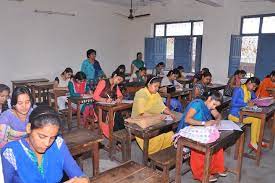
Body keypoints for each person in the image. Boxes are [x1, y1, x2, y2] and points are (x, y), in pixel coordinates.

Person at [1, 106, 89, 183]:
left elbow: (78, 174)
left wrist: (83, 179)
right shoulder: (10, 152)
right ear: (28, 128)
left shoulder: (58, 144)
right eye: (41, 136)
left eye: (52, 137)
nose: (47, 143)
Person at [176, 91, 226, 182]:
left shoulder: (210, 106)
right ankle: (201, 174)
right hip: (186, 131)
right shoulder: (197, 104)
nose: (214, 107)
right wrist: (204, 123)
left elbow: (218, 115)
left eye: (216, 106)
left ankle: (216, 168)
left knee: (216, 142)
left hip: (199, 130)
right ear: (209, 98)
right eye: (214, 104)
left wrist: (217, 120)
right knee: (200, 146)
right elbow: (187, 120)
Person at [131, 76, 176, 155]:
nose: (157, 89)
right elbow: (141, 113)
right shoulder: (141, 94)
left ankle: (163, 154)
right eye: (155, 86)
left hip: (153, 120)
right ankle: (152, 155)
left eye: (158, 87)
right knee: (156, 138)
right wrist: (158, 117)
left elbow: (162, 107)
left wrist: (170, 113)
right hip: (139, 122)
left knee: (170, 135)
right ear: (148, 85)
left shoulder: (156, 94)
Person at [228, 77, 263, 151]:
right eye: (253, 86)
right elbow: (233, 103)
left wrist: (256, 99)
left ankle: (257, 140)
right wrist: (246, 103)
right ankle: (253, 142)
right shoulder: (238, 90)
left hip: (243, 115)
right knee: (255, 120)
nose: (254, 89)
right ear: (249, 82)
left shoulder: (249, 91)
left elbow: (254, 99)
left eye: (255, 87)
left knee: (258, 119)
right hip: (234, 115)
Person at [93, 71, 125, 138]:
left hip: (109, 106)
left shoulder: (115, 86)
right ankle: (113, 136)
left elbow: (120, 95)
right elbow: (95, 96)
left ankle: (119, 135)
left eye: (120, 81)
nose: (118, 82)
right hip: (99, 107)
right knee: (113, 115)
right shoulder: (103, 82)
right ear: (115, 75)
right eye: (118, 79)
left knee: (117, 114)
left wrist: (119, 98)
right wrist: (105, 100)